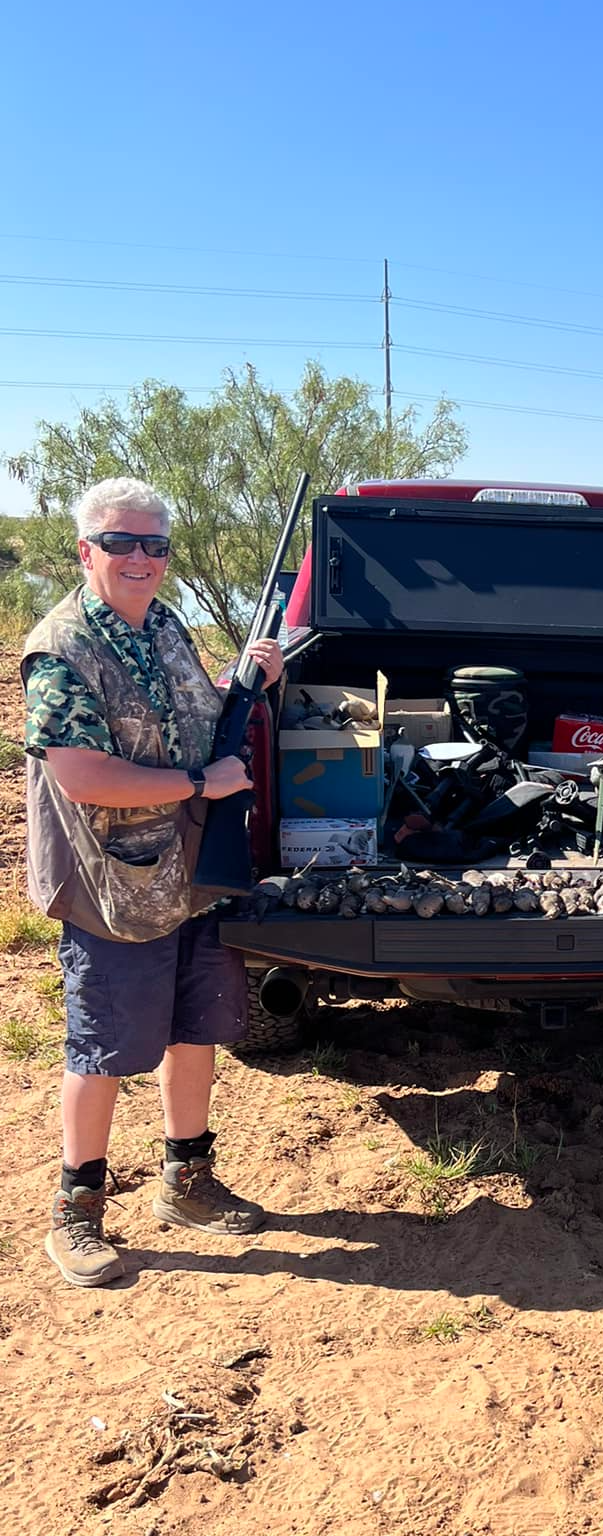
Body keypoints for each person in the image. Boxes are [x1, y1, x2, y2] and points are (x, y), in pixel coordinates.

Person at [23, 477, 283, 1287]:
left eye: (156, 545)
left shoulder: (165, 625)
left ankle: (187, 1181)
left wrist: (248, 686)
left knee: (194, 1028)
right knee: (101, 1046)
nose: (141, 558)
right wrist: (198, 785)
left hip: (195, 874)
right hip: (116, 886)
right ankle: (77, 1210)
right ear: (86, 551)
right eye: (122, 542)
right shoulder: (60, 649)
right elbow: (83, 775)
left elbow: (199, 719)